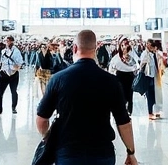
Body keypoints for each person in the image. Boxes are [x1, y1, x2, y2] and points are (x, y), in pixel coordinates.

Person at [35, 30, 138, 165]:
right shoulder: (111, 81)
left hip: (68, 153)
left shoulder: (58, 79)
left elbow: (41, 120)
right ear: (95, 49)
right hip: (102, 154)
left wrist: (48, 137)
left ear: (75, 48)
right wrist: (131, 152)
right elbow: (124, 123)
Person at [0, 35, 23, 115]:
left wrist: (16, 66)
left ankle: (13, 107)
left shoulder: (16, 51)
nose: (7, 42)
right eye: (6, 41)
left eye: (8, 41)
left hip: (13, 74)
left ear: (12, 41)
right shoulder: (2, 51)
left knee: (14, 91)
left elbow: (20, 62)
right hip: (4, 73)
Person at [109, 38, 137, 115]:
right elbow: (112, 67)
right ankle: (122, 110)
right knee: (121, 94)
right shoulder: (116, 57)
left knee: (129, 94)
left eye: (125, 45)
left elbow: (136, 64)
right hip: (120, 76)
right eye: (122, 45)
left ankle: (129, 111)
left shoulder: (132, 55)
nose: (124, 47)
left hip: (130, 76)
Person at [136, 39, 160, 120]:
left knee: (154, 95)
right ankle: (149, 113)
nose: (150, 46)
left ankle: (153, 111)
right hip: (147, 77)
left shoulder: (152, 54)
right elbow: (141, 64)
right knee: (149, 95)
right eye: (149, 45)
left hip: (152, 77)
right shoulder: (145, 54)